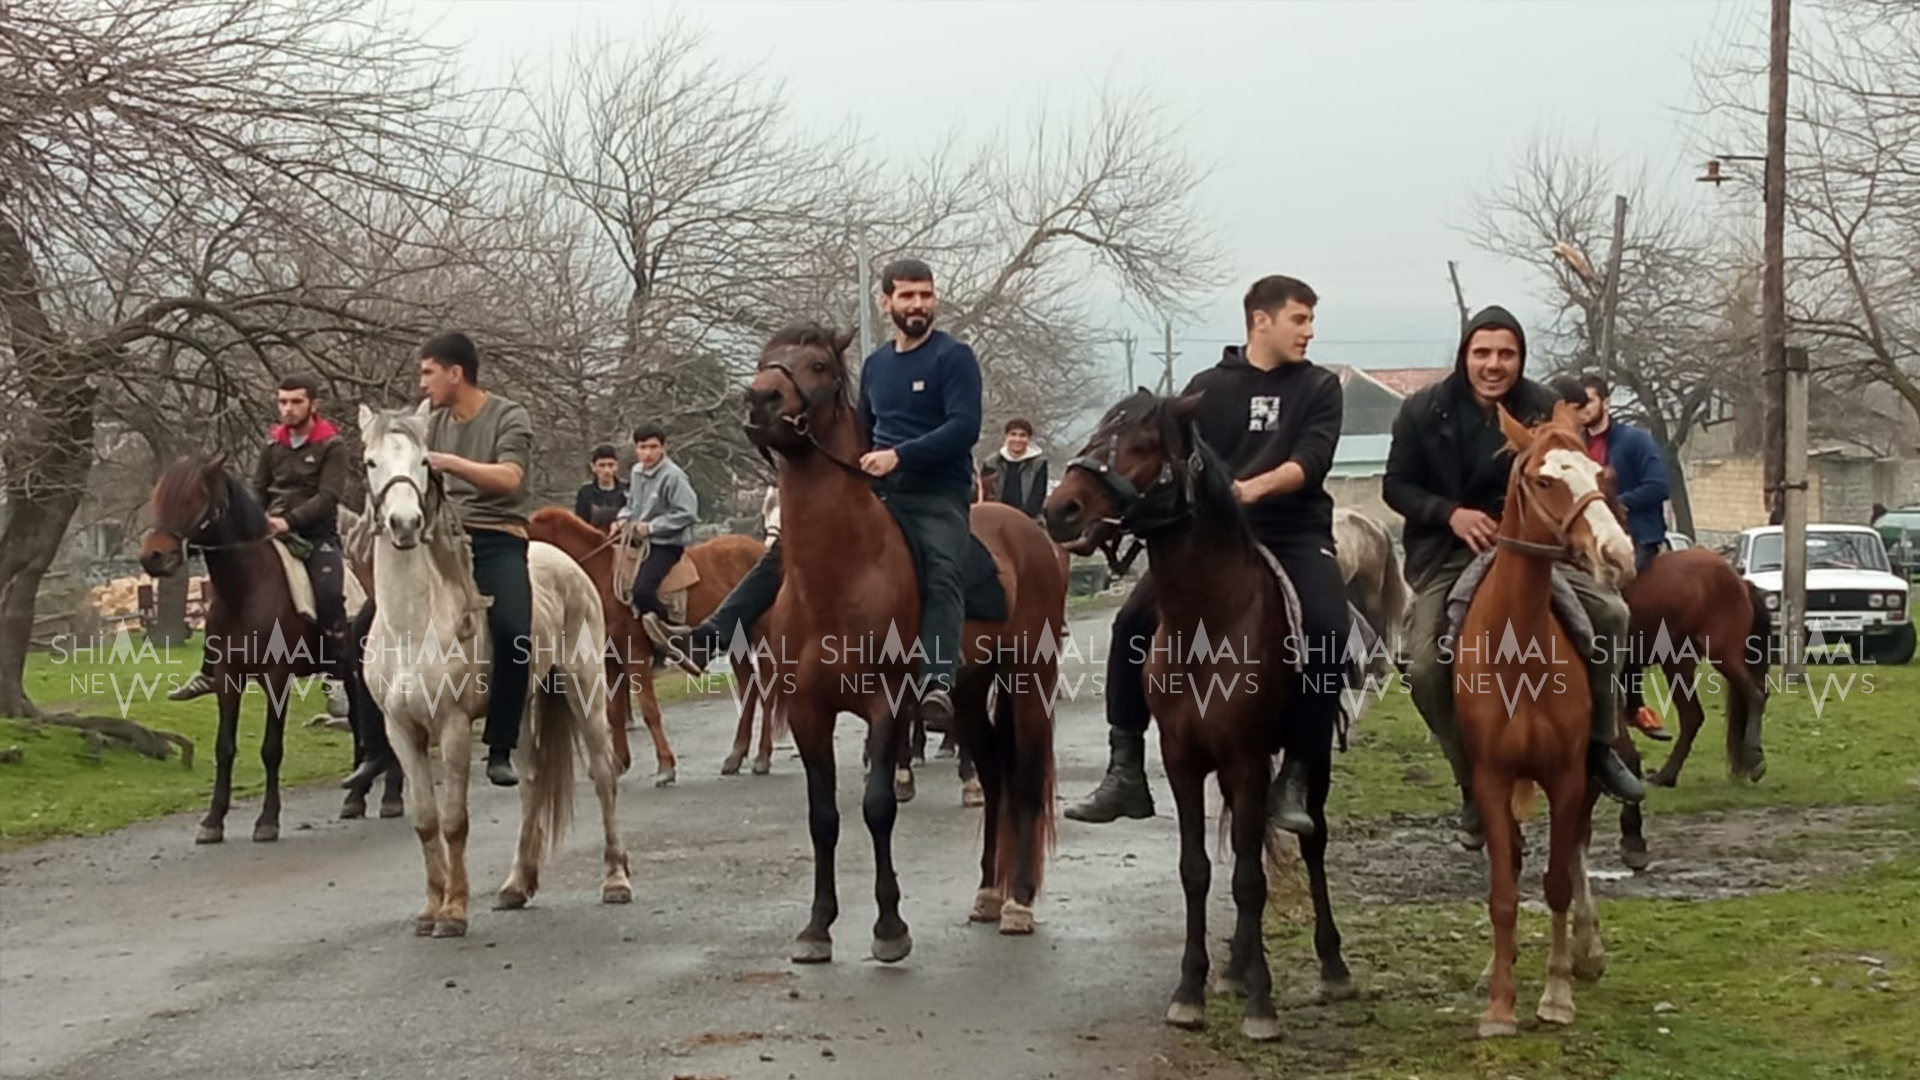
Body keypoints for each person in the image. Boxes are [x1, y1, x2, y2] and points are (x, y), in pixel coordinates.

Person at [1064, 274, 1349, 836]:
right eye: (1300, 319)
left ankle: (1296, 771)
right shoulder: (1205, 389)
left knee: (1326, 631)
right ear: (1261, 320)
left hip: (1292, 532)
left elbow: (1310, 462)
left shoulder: (1319, 387)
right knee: (1130, 625)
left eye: (1311, 320)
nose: (1309, 331)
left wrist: (1250, 490)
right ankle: (1125, 767)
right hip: (1212, 541)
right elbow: (1165, 471)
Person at [645, 258, 981, 731]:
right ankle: (707, 640)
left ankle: (937, 681)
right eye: (907, 296)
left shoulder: (953, 357)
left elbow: (965, 426)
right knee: (783, 552)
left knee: (943, 567)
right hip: (880, 489)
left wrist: (900, 456)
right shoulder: (878, 365)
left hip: (936, 493)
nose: (917, 304)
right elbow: (864, 429)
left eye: (925, 295)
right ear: (885, 302)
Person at [1384, 307, 1644, 850]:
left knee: (1612, 613)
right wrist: (1451, 513)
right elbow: (1397, 486)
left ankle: (1600, 745)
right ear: (1465, 355)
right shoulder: (1422, 410)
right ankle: (1470, 780)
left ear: (1520, 358)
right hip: (1453, 552)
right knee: (1422, 662)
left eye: (1507, 353)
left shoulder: (1546, 406)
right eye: (1482, 352)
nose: (1494, 364)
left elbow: (1573, 474)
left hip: (1536, 551)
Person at [169, 373, 351, 702]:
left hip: (315, 535)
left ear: (313, 404)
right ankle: (209, 670)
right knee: (226, 593)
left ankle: (336, 676)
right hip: (269, 531)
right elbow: (258, 489)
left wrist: (289, 521)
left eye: (296, 401)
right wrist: (256, 520)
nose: (288, 408)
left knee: (328, 595)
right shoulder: (273, 445)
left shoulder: (332, 445)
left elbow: (328, 496)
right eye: (283, 402)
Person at [406, 332, 537, 787]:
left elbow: (511, 479)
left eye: (429, 373)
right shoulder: (429, 421)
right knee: (366, 624)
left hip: (496, 539)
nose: (422, 384)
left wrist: (449, 462)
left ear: (455, 373)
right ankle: (375, 749)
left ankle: (500, 745)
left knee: (514, 631)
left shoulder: (509, 415)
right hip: (441, 541)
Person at [1573, 375, 1671, 572]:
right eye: (1578, 404)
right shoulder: (1575, 447)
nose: (1582, 409)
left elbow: (1659, 486)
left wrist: (1616, 503)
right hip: (1591, 539)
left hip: (1637, 537)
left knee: (1614, 582)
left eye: (1588, 401)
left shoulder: (1636, 440)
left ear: (1606, 403)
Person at [613, 424, 699, 620]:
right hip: (638, 541)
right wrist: (622, 518)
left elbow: (688, 513)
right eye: (642, 447)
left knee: (642, 591)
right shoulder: (636, 472)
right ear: (636, 449)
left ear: (663, 448)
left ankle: (668, 627)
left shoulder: (674, 476)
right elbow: (631, 505)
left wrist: (652, 527)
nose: (648, 453)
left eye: (653, 447)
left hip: (665, 545)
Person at [984, 418, 1048, 519]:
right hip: (995, 517)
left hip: (1027, 518)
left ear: (1029, 439)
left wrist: (1019, 517)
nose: (1017, 439)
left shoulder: (1038, 463)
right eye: (1013, 434)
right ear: (1006, 436)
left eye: (1022, 435)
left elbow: (1037, 495)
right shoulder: (991, 463)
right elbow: (987, 494)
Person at [573, 443, 627, 528]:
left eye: (611, 465)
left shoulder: (627, 489)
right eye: (602, 465)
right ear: (593, 467)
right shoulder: (585, 493)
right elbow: (580, 525)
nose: (607, 470)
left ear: (616, 466)